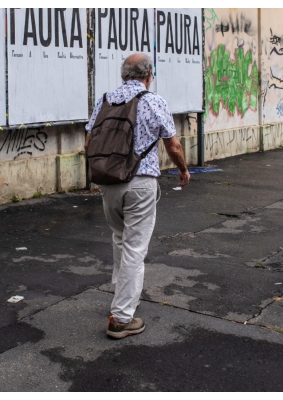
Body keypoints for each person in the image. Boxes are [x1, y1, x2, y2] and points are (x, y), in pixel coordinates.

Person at [85, 53, 191, 339]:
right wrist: (183, 170)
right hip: (140, 182)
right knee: (134, 248)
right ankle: (121, 319)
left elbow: (88, 141)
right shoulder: (153, 101)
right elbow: (173, 146)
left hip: (109, 183)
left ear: (124, 74)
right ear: (148, 74)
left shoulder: (105, 100)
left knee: (120, 240)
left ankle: (122, 298)